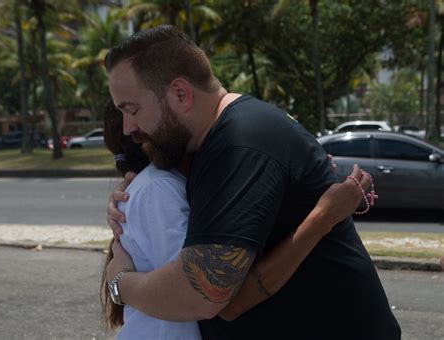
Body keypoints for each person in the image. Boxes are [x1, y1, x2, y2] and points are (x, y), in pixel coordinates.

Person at [105, 26, 401, 339]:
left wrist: (120, 282)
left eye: (132, 109)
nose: (127, 128)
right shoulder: (220, 141)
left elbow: (202, 293)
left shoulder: (240, 144)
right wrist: (131, 202)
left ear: (180, 94)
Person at [101, 99, 372, 339]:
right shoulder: (160, 189)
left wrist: (299, 176)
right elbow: (207, 294)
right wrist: (323, 216)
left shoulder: (180, 184)